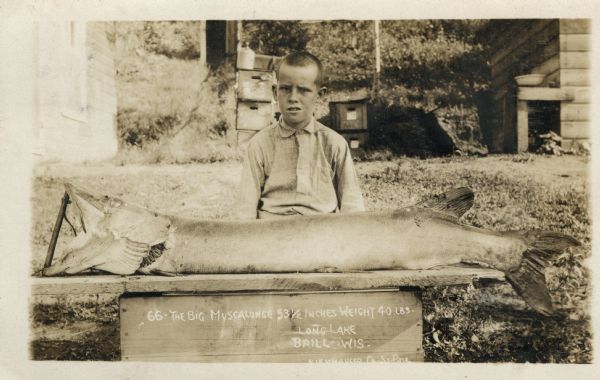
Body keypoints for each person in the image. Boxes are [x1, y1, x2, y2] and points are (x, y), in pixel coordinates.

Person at [236, 51, 365, 219]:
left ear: (320, 95)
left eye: (303, 90)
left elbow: (352, 205)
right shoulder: (260, 144)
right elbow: (245, 208)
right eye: (286, 89)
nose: (293, 98)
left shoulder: (334, 144)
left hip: (320, 233)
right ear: (275, 92)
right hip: (272, 233)